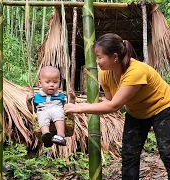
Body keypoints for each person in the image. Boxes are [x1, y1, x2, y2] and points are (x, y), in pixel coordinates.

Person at [64, 33, 170, 179]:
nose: (97, 61)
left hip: (163, 108)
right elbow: (109, 100)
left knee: (167, 152)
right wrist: (80, 104)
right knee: (129, 155)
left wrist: (79, 109)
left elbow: (114, 106)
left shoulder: (136, 71)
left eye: (100, 57)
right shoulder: (105, 74)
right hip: (137, 112)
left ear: (114, 57)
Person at [26, 66, 75, 147]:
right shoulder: (37, 96)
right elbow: (33, 111)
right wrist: (28, 101)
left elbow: (69, 107)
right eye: (47, 82)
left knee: (58, 113)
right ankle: (46, 135)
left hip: (56, 108)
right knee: (41, 115)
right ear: (40, 83)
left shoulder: (61, 96)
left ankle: (60, 135)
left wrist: (72, 98)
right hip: (43, 110)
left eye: (55, 82)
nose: (51, 85)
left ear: (59, 83)